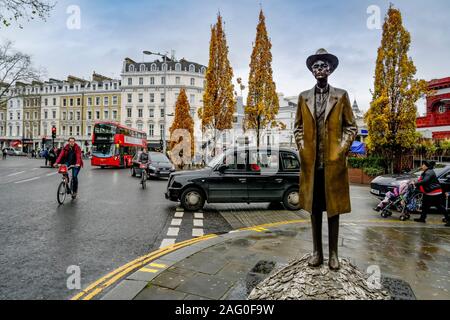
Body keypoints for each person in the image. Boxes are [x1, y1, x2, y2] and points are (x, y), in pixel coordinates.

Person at [294, 49, 358, 270]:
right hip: (311, 165)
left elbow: (351, 127)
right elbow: (298, 128)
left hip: (333, 163)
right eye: (315, 66)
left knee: (333, 210)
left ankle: (333, 254)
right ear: (312, 71)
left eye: (323, 65)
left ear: (329, 69)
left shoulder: (341, 96)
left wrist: (341, 150)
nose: (319, 69)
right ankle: (316, 252)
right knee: (314, 210)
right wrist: (302, 148)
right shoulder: (303, 97)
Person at [414, 160, 450, 227]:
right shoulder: (427, 171)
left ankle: (449, 219)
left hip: (434, 192)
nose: (422, 166)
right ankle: (422, 218)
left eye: (423, 165)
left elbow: (425, 181)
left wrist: (415, 183)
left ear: (426, 166)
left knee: (439, 206)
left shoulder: (429, 172)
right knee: (424, 206)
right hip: (429, 192)